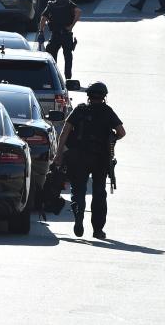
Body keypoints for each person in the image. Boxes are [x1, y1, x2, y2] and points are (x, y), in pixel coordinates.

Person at [53, 81, 126, 239]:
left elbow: (65, 132)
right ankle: (98, 230)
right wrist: (111, 138)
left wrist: (59, 154)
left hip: (78, 157)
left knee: (78, 190)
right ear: (104, 97)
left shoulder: (80, 110)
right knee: (99, 192)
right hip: (100, 159)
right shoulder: (107, 111)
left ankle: (79, 218)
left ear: (88, 96)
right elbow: (121, 132)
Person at [39, 0, 81, 79]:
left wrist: (41, 31)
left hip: (55, 35)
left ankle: (55, 77)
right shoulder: (69, 4)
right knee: (68, 56)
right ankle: (68, 77)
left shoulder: (51, 5)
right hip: (67, 34)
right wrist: (71, 26)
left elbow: (43, 18)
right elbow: (78, 11)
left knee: (52, 57)